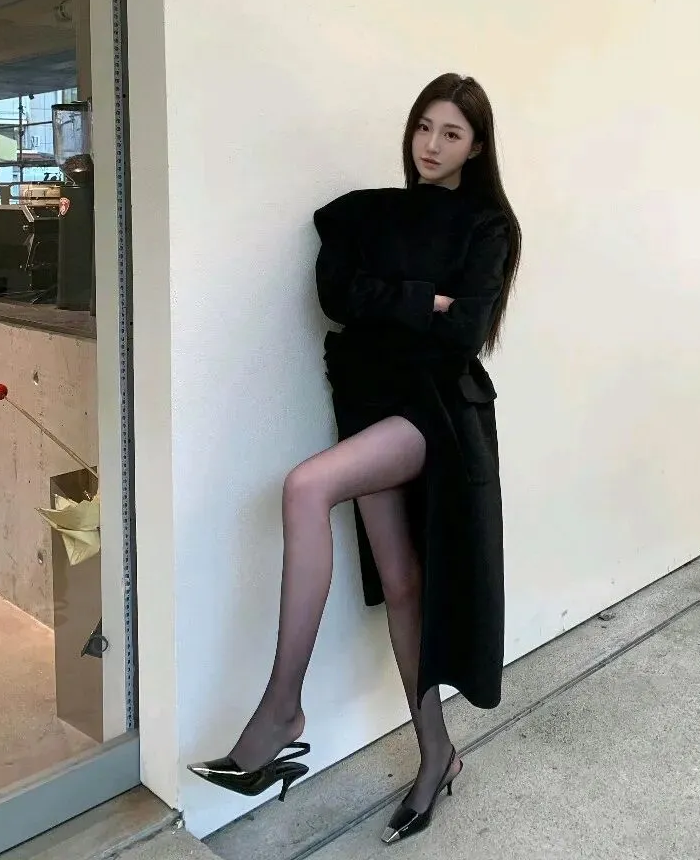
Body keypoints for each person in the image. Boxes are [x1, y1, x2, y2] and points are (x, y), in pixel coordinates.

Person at [189, 73, 521, 845]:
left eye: (451, 133)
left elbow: (464, 332)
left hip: (436, 414)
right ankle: (437, 755)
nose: (431, 145)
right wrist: (425, 298)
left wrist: (400, 300)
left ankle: (282, 710)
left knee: (307, 487)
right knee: (401, 585)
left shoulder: (488, 227)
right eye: (424, 127)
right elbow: (338, 295)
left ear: (476, 147)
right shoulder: (372, 214)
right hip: (371, 401)